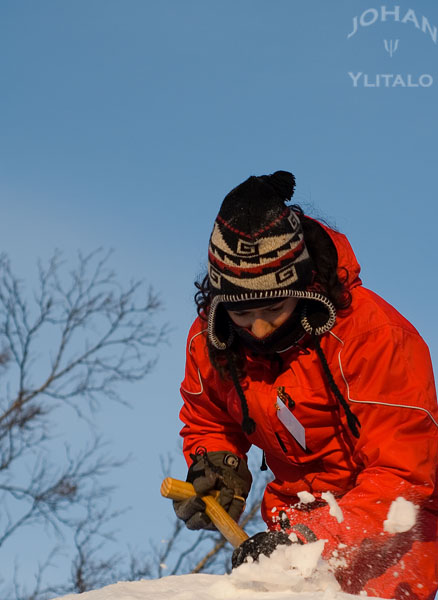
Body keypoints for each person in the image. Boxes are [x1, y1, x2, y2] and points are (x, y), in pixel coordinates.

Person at [173, 171, 438, 599]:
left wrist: (304, 540)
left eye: (274, 308)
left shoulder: (374, 338)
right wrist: (218, 467)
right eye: (242, 314)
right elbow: (207, 416)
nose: (258, 329)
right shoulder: (213, 340)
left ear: (303, 284)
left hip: (393, 532)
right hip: (292, 519)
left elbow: (403, 475)